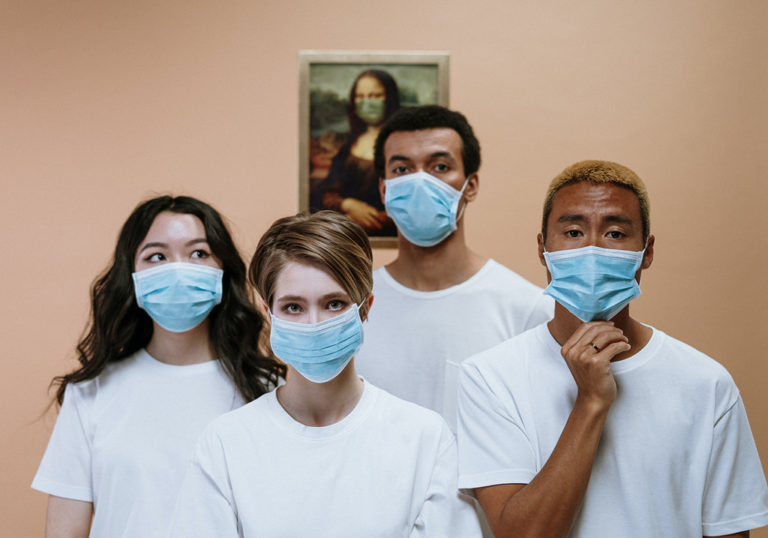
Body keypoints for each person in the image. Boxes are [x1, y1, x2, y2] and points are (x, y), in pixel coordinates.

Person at [457, 160, 768, 537]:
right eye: (572, 232)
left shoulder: (707, 384)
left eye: (616, 234)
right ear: (543, 249)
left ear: (647, 252)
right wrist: (590, 402)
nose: (592, 250)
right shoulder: (490, 378)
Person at [168, 211, 482, 537]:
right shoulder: (226, 444)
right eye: (293, 307)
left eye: (334, 304)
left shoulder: (425, 439)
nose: (314, 324)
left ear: (365, 307)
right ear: (268, 312)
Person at [32, 196, 286, 538]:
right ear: (132, 276)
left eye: (198, 253)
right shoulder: (91, 393)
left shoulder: (268, 390)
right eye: (157, 256)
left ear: (223, 272)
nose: (178, 269)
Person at [354, 105, 553, 430]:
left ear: (470, 185)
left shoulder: (528, 310)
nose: (420, 181)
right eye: (402, 169)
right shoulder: (351, 309)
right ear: (383, 189)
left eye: (440, 166)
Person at [312, 69, 400, 235]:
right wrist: (348, 204)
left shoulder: (404, 146)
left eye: (375, 96)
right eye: (360, 96)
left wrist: (368, 219)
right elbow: (325, 193)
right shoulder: (348, 146)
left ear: (390, 98)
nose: (367, 102)